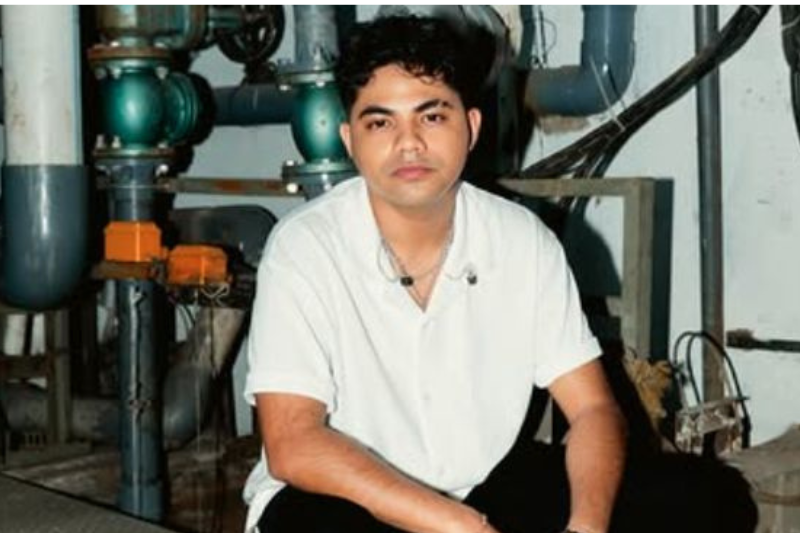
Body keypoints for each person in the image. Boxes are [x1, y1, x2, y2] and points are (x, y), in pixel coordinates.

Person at [242, 15, 755, 533]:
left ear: (471, 127)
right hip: (350, 497)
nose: (409, 143)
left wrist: (586, 526)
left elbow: (593, 410)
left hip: (482, 484)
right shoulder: (304, 247)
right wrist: (460, 526)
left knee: (710, 497)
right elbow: (293, 443)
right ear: (350, 141)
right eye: (381, 123)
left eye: (431, 117)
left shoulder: (522, 241)